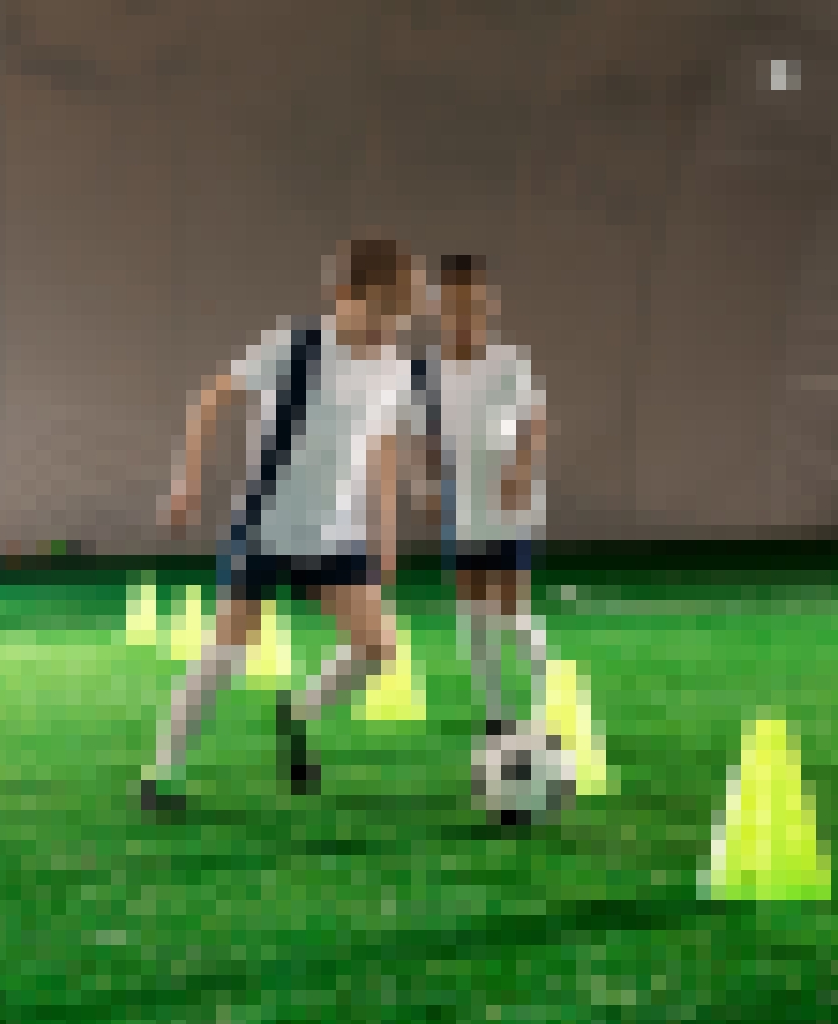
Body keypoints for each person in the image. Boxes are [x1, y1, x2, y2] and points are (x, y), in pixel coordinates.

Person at [140, 237, 429, 814]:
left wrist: (386, 529)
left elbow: (383, 444)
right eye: (386, 306)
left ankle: (299, 712)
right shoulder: (293, 346)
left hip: (337, 533)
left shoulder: (398, 368)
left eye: (403, 310)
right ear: (347, 295)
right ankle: (162, 773)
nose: (394, 321)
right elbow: (210, 399)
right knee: (227, 650)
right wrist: (186, 480)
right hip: (266, 526)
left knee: (378, 648)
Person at [430, 254, 551, 732]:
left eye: (474, 303)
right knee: (474, 614)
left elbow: (534, 424)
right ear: (441, 307)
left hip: (507, 505)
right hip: (461, 506)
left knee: (512, 614)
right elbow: (419, 431)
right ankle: (496, 712)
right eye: (455, 303)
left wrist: (523, 467)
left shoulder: (509, 363)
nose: (465, 313)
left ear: (488, 305)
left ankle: (543, 706)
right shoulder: (429, 370)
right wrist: (425, 479)